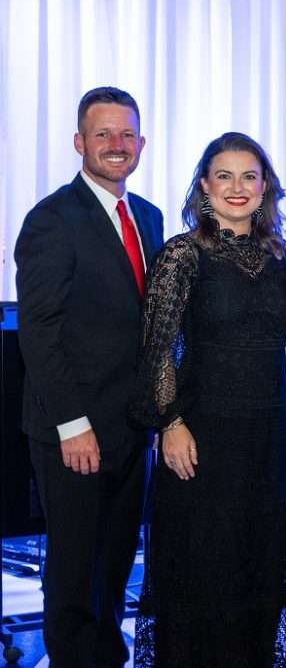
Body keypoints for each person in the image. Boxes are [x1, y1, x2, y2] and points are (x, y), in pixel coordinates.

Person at [130, 132, 286, 667]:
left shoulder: (285, 258)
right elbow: (157, 348)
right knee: (200, 572)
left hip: (268, 440)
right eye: (223, 176)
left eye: (249, 176)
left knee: (260, 566)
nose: (237, 187)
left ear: (265, 186)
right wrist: (170, 422)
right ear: (204, 185)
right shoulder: (183, 254)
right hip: (200, 437)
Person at [14, 86, 163, 667]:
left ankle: (106, 657)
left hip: (132, 426)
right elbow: (41, 332)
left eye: (126, 135)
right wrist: (73, 425)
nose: (116, 145)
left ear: (142, 143)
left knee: (116, 560)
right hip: (71, 430)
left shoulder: (147, 218)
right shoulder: (52, 220)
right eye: (103, 135)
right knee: (75, 568)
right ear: (80, 143)